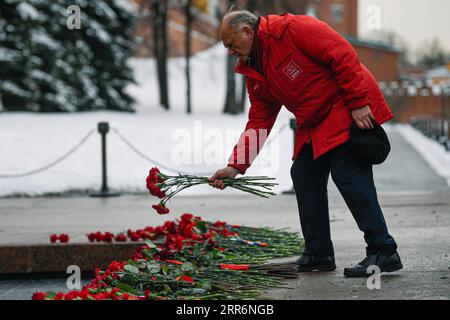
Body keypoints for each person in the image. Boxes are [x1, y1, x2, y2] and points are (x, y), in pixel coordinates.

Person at [208, 10, 403, 277]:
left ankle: (383, 250)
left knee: (348, 174)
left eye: (230, 44)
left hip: (345, 105)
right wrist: (235, 166)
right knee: (304, 174)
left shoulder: (292, 29)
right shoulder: (254, 67)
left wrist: (358, 103)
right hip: (314, 121)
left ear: (247, 31)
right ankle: (318, 253)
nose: (230, 51)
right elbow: (259, 120)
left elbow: (342, 53)